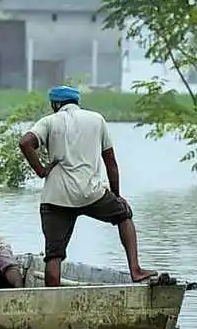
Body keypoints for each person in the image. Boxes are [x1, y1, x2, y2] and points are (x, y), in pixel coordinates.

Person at [18, 85, 156, 285]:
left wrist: (41, 170)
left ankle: (52, 300)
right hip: (91, 194)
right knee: (124, 215)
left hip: (56, 197)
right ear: (76, 102)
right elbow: (111, 163)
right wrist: (117, 196)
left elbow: (25, 143)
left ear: (56, 104)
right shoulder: (96, 120)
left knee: (54, 255)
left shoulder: (49, 121)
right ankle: (135, 270)